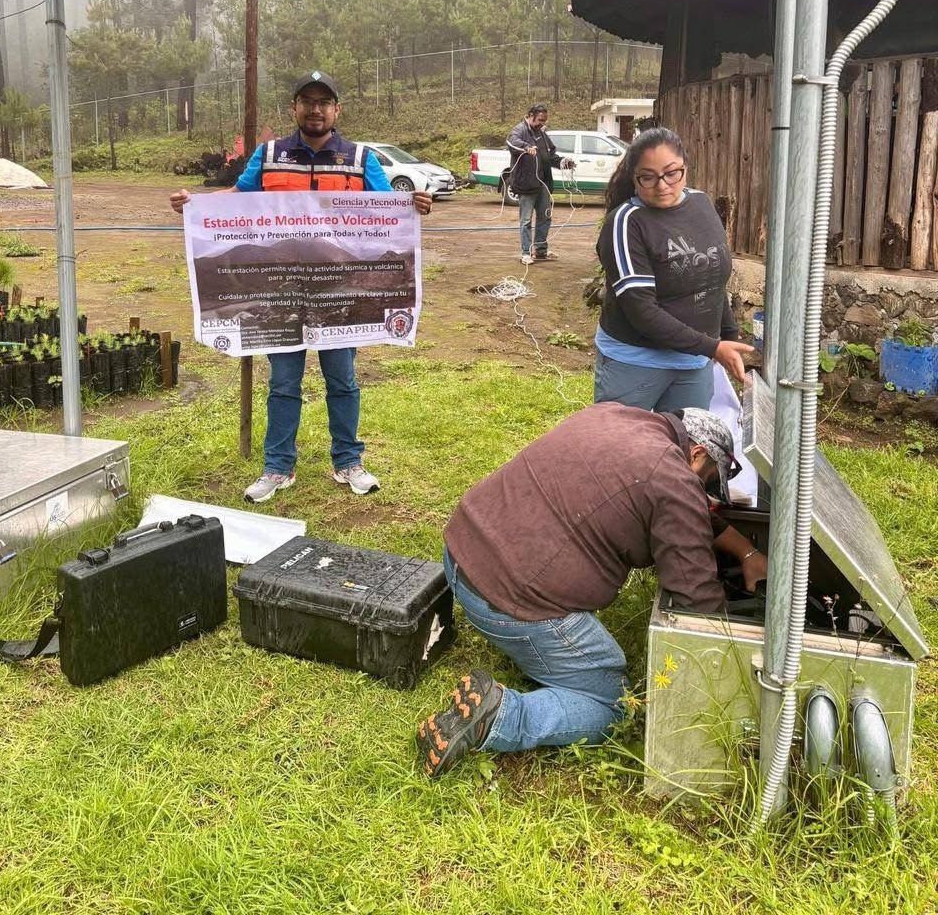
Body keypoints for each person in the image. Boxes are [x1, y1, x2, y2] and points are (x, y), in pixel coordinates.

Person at [416, 402, 767, 778]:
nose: (704, 494)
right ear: (696, 453)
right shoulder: (673, 481)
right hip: (509, 601)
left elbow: (679, 505)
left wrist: (746, 552)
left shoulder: (615, 417)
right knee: (613, 704)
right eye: (707, 481)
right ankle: (499, 715)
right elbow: (696, 598)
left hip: (462, 553)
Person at [170, 70, 432, 503]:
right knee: (284, 383)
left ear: (336, 110)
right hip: (279, 292)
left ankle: (348, 461)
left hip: (336, 292)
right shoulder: (270, 155)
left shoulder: (360, 158)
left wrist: (414, 204)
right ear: (294, 107)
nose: (316, 109)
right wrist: (193, 204)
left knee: (343, 381)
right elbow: (237, 197)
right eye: (307, 101)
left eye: (324, 102)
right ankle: (277, 468)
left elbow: (387, 207)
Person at [593, 126, 753, 413]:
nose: (662, 185)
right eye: (648, 177)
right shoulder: (627, 223)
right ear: (634, 178)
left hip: (693, 363)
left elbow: (713, 281)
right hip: (636, 363)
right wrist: (712, 347)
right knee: (626, 451)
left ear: (685, 168)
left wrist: (728, 334)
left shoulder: (701, 204)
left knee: (687, 452)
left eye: (671, 173)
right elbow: (641, 310)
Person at [505, 104, 575, 265]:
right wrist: (526, 147)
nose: (542, 123)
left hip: (543, 184)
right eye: (540, 120)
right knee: (526, 220)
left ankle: (541, 251)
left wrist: (563, 162)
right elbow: (511, 143)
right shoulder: (519, 130)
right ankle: (525, 253)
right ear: (530, 115)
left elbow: (549, 155)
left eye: (544, 120)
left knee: (545, 217)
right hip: (526, 184)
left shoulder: (542, 133)